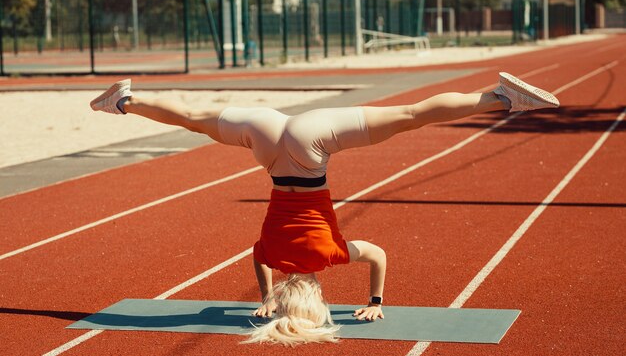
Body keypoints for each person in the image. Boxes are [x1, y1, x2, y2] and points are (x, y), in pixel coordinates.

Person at [90, 72, 559, 345]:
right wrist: (264, 296)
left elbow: (376, 253)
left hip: (311, 149)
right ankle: (126, 100)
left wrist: (376, 302)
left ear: (315, 296)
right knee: (196, 119)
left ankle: (502, 98)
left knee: (411, 117)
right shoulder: (273, 254)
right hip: (270, 148)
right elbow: (256, 255)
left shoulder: (328, 256)